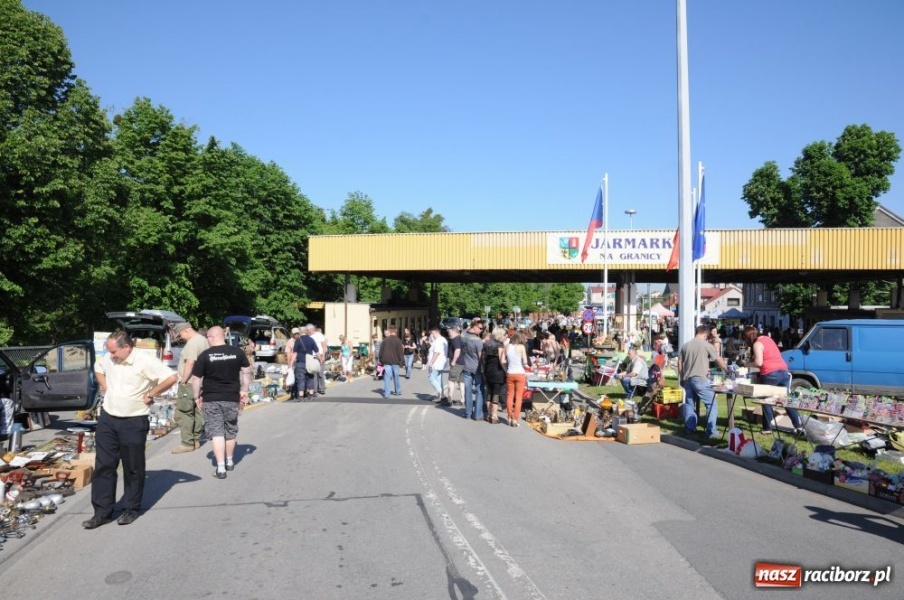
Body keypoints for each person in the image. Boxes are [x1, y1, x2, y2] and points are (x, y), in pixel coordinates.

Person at [84, 332, 177, 529]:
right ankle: (102, 512)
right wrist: (106, 387)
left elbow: (171, 378)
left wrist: (151, 393)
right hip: (108, 418)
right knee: (104, 465)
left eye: (114, 351)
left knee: (132, 467)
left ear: (126, 347)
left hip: (134, 419)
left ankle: (130, 509)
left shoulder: (144, 361)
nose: (111, 355)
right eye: (109, 351)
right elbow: (98, 368)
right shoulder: (110, 359)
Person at [191, 326, 252, 479]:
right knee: (230, 430)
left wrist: (196, 397)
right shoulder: (237, 352)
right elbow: (246, 372)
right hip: (231, 397)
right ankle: (230, 461)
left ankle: (221, 468)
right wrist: (244, 391)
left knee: (217, 432)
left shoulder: (205, 355)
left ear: (211, 337)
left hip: (211, 398)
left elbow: (196, 379)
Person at [743, 325, 801, 433]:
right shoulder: (767, 339)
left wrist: (746, 363)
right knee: (786, 401)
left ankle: (767, 428)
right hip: (784, 371)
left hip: (770, 374)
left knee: (767, 401)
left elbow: (759, 363)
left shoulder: (757, 344)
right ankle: (798, 426)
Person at [677, 324, 729, 439]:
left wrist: (681, 378)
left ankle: (689, 428)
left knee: (690, 404)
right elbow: (718, 359)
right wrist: (727, 370)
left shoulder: (685, 345)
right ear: (705, 334)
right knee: (711, 404)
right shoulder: (707, 345)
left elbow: (680, 363)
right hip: (700, 379)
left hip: (687, 379)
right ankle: (711, 431)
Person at [171, 322, 209, 454]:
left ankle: (187, 443)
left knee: (185, 412)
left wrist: (183, 380)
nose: (180, 338)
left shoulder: (193, 343)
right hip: (200, 381)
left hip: (189, 382)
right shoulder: (203, 340)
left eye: (180, 334)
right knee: (197, 410)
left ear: (186, 330)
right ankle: (196, 439)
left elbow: (190, 362)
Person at [502, 330, 529, 427]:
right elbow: (525, 362)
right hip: (520, 373)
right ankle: (515, 419)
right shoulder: (521, 347)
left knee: (509, 396)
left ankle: (509, 417)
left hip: (510, 373)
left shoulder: (507, 347)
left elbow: (502, 360)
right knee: (518, 397)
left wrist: (506, 370)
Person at [460, 318, 485, 421]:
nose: (481, 330)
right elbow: (480, 357)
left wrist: (471, 323)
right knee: (479, 391)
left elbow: (464, 330)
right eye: (480, 328)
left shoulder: (464, 336)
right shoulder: (478, 341)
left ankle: (467, 413)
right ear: (474, 327)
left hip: (466, 367)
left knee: (468, 390)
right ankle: (478, 415)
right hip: (477, 369)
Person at [482, 327, 507, 424]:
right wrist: (506, 371)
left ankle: (489, 414)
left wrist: (483, 371)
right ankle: (494, 415)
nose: (506, 337)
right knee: (496, 394)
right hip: (498, 371)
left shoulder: (487, 343)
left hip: (488, 370)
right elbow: (502, 360)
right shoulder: (500, 345)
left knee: (489, 393)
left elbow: (483, 359)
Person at [290, 326, 320, 400]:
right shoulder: (311, 340)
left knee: (301, 378)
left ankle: (301, 396)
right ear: (306, 331)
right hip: (310, 362)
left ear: (300, 332)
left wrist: (291, 363)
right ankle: (311, 394)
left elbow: (295, 353)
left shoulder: (298, 341)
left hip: (300, 362)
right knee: (310, 377)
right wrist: (320, 359)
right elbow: (316, 351)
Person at [378, 326, 405, 397]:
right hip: (395, 361)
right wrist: (402, 362)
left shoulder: (385, 340)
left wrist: (380, 360)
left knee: (387, 376)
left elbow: (381, 352)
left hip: (386, 360)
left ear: (389, 331)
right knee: (396, 376)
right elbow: (400, 353)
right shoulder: (398, 341)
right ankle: (397, 391)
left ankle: (387, 393)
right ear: (395, 332)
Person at [427, 328, 448, 402]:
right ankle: (440, 395)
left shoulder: (438, 341)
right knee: (439, 379)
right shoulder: (443, 340)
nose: (432, 335)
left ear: (436, 332)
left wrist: (431, 362)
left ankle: (441, 394)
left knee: (431, 378)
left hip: (436, 363)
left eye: (433, 333)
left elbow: (436, 353)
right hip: (441, 363)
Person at [445, 326, 464, 404]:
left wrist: (453, 361)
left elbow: (457, 350)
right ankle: (463, 399)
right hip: (463, 363)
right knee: (461, 382)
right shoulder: (461, 338)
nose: (449, 334)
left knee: (451, 381)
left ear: (453, 331)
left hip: (457, 363)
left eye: (449, 332)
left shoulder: (456, 339)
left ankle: (450, 399)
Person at [310, 325, 328, 396]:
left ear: (312, 329)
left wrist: (323, 355)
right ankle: (315, 389)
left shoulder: (319, 335)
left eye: (309, 330)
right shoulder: (310, 337)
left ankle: (321, 388)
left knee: (320, 373)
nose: (308, 332)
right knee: (314, 373)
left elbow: (324, 345)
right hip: (313, 356)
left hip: (320, 355)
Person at [285, 327, 300, 399]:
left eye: (298, 333)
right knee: (293, 378)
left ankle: (298, 392)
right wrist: (289, 365)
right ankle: (293, 393)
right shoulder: (290, 342)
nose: (297, 335)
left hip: (300, 361)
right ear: (292, 335)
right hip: (293, 362)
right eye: (295, 334)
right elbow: (288, 353)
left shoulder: (300, 340)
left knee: (299, 377)